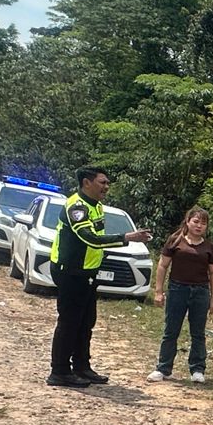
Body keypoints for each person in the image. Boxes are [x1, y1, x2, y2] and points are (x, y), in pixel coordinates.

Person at [47, 166, 152, 388]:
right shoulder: (77, 207)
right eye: (102, 182)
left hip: (88, 272)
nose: (106, 186)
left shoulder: (97, 206)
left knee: (86, 322)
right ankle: (59, 371)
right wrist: (128, 237)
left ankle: (82, 367)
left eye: (107, 182)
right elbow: (91, 239)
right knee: (69, 322)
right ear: (87, 182)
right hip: (71, 271)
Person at [148, 205, 213, 383]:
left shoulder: (209, 247)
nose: (199, 226)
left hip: (200, 292)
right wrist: (158, 291)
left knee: (198, 332)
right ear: (188, 222)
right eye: (195, 221)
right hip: (177, 289)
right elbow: (163, 265)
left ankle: (197, 370)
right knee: (171, 330)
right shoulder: (175, 240)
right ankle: (163, 368)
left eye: (203, 223)